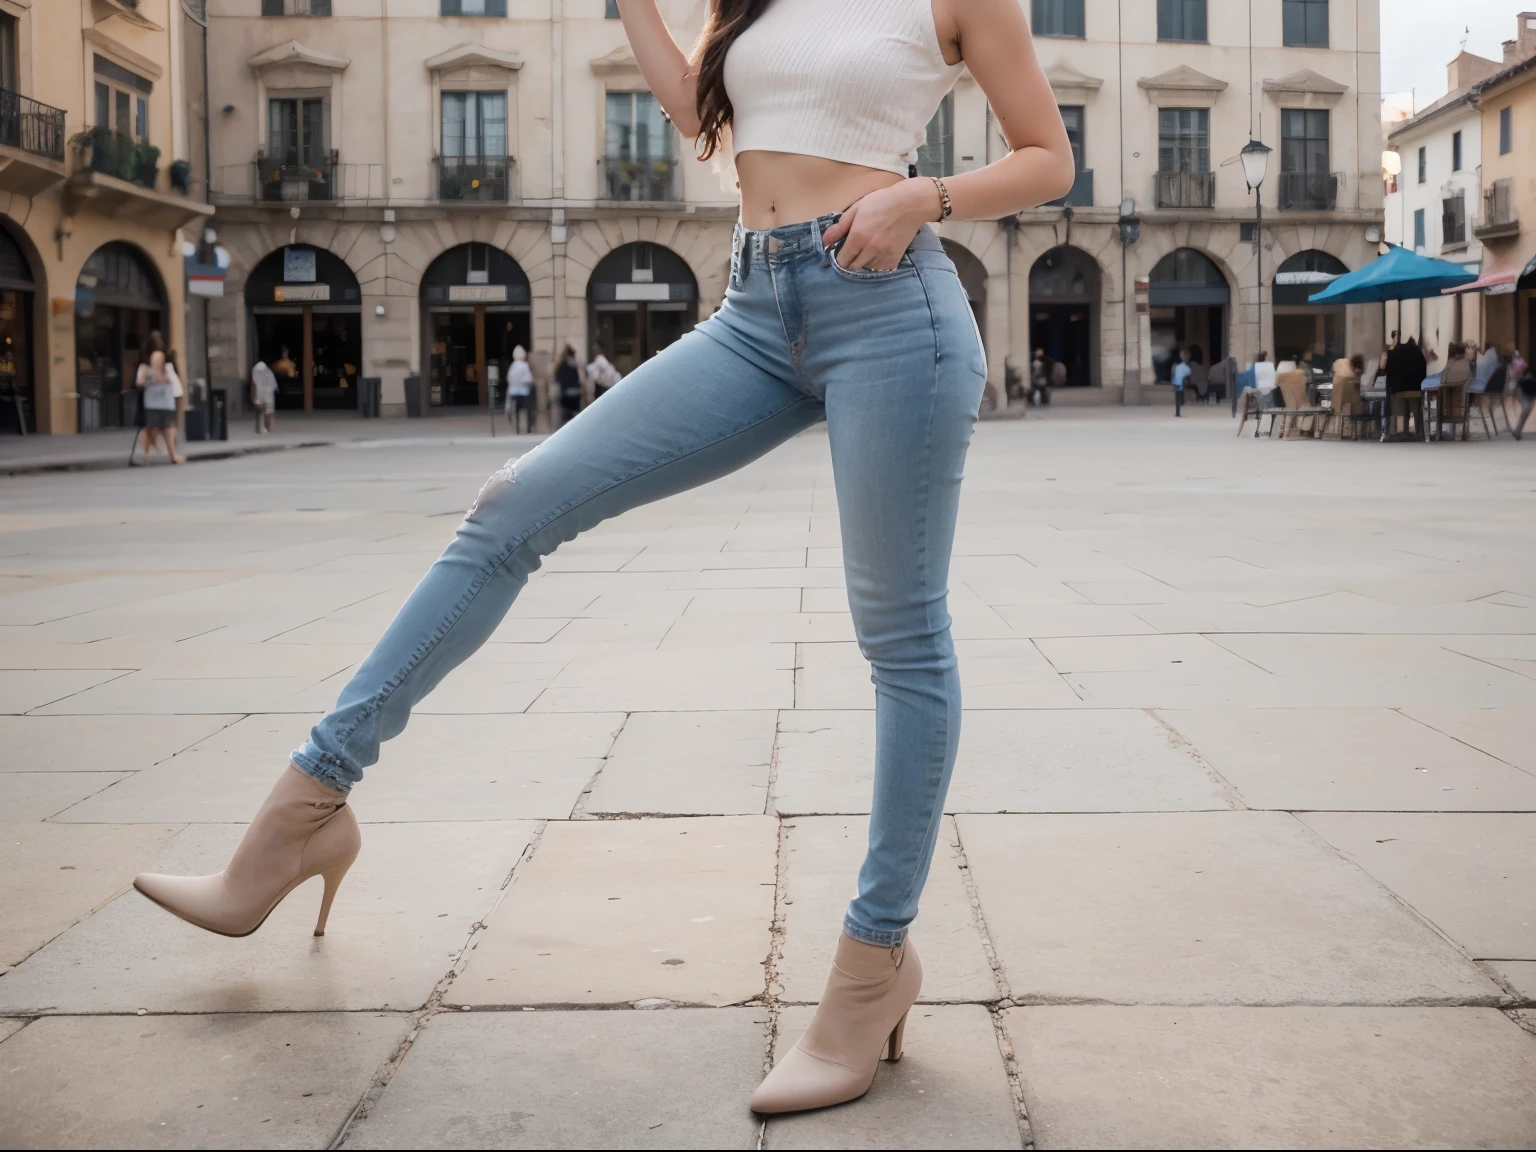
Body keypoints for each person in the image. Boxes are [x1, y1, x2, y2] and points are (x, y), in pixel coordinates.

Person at [129, 0, 1075, 1118]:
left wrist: (925, 197)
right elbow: (698, 113)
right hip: (756, 308)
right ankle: (297, 822)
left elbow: (1047, 158)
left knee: (901, 636)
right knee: (510, 507)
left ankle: (873, 968)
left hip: (893, 312)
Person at [131, 332, 185, 465]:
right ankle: (149, 454)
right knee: (152, 427)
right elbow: (139, 382)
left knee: (166, 427)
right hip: (155, 401)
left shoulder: (168, 364)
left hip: (165, 400)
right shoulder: (145, 366)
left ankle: (166, 454)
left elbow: (175, 380)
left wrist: (162, 377)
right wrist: (150, 377)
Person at [554, 345, 584, 426]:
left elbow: (558, 380)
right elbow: (581, 380)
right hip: (576, 393)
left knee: (564, 416)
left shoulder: (561, 365)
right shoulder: (576, 364)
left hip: (565, 394)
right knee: (576, 414)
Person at [251, 360, 278, 435]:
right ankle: (265, 428)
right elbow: (273, 385)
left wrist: (254, 397)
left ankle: (266, 428)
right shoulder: (267, 373)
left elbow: (255, 385)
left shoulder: (263, 374)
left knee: (265, 413)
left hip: (264, 396)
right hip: (264, 396)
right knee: (266, 413)